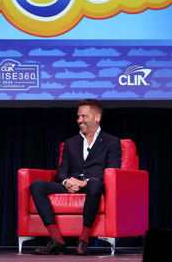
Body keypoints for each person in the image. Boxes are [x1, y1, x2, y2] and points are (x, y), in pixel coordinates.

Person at [30, 98, 121, 255]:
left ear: (97, 117)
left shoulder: (112, 142)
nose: (80, 120)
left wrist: (84, 182)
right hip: (71, 186)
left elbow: (111, 170)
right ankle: (56, 239)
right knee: (37, 185)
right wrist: (67, 182)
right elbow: (61, 171)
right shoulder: (70, 143)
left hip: (94, 187)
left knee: (95, 184)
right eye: (78, 117)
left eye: (84, 116)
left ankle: (84, 239)